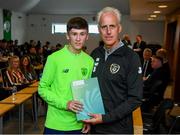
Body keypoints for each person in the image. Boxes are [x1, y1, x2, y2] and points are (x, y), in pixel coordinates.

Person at [83, 7, 143, 134]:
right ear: (99, 29)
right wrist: (87, 118)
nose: (108, 31)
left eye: (112, 26)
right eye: (104, 27)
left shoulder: (131, 57)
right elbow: (90, 88)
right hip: (95, 125)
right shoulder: (95, 53)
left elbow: (135, 99)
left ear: (119, 28)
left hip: (118, 129)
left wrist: (105, 118)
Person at [38, 17, 94, 134]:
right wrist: (66, 104)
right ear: (67, 36)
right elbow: (42, 88)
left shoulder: (89, 61)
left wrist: (87, 120)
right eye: (74, 34)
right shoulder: (54, 58)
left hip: (78, 124)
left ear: (87, 36)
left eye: (82, 34)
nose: (78, 39)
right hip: (56, 124)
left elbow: (87, 92)